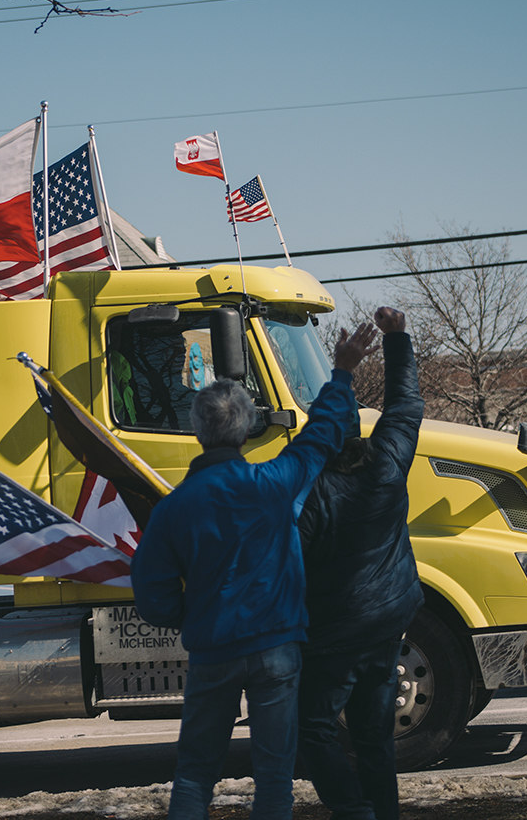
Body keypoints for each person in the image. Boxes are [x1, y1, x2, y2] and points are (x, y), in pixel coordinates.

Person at [131, 322, 379, 820]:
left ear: (197, 430)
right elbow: (321, 436)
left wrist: (190, 615)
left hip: (212, 649)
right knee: (274, 776)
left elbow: (151, 591)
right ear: (245, 430)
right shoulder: (273, 483)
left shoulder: (174, 509)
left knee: (196, 771)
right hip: (275, 649)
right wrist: (342, 372)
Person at [295, 306, 425, 820]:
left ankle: (352, 810)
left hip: (333, 633)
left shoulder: (311, 492)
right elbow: (406, 404)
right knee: (374, 733)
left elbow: (291, 563)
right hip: (389, 620)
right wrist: (398, 339)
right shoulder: (388, 462)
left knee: (313, 727)